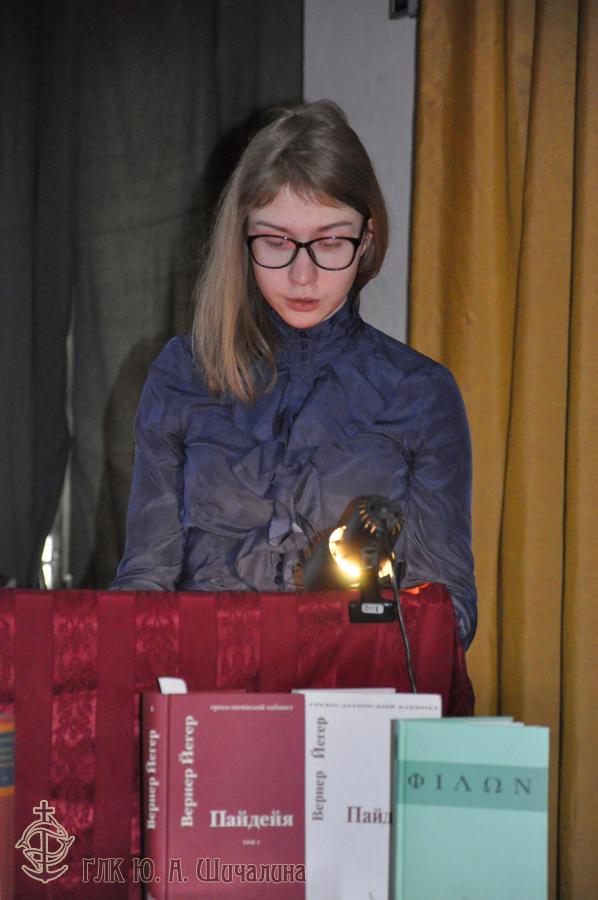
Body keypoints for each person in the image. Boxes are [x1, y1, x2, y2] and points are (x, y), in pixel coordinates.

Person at [111, 100, 477, 650]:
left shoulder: (422, 394)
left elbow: (451, 612)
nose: (302, 276)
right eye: (277, 242)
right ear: (242, 238)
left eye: (330, 242)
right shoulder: (182, 376)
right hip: (203, 690)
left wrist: (367, 625)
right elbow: (144, 583)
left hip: (355, 692)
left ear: (367, 238)